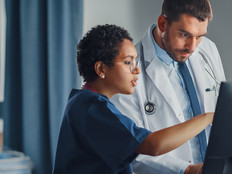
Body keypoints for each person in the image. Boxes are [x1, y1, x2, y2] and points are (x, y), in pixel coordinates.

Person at [52, 24, 214, 174]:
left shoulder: (82, 102)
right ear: (101, 68)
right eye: (128, 62)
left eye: (136, 62)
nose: (137, 70)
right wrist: (209, 117)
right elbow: (152, 145)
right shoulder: (93, 107)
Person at [111, 0, 226, 174]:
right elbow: (132, 148)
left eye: (200, 36)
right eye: (184, 34)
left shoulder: (208, 49)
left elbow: (223, 114)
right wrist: (187, 170)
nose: (192, 47)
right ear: (163, 24)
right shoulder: (128, 68)